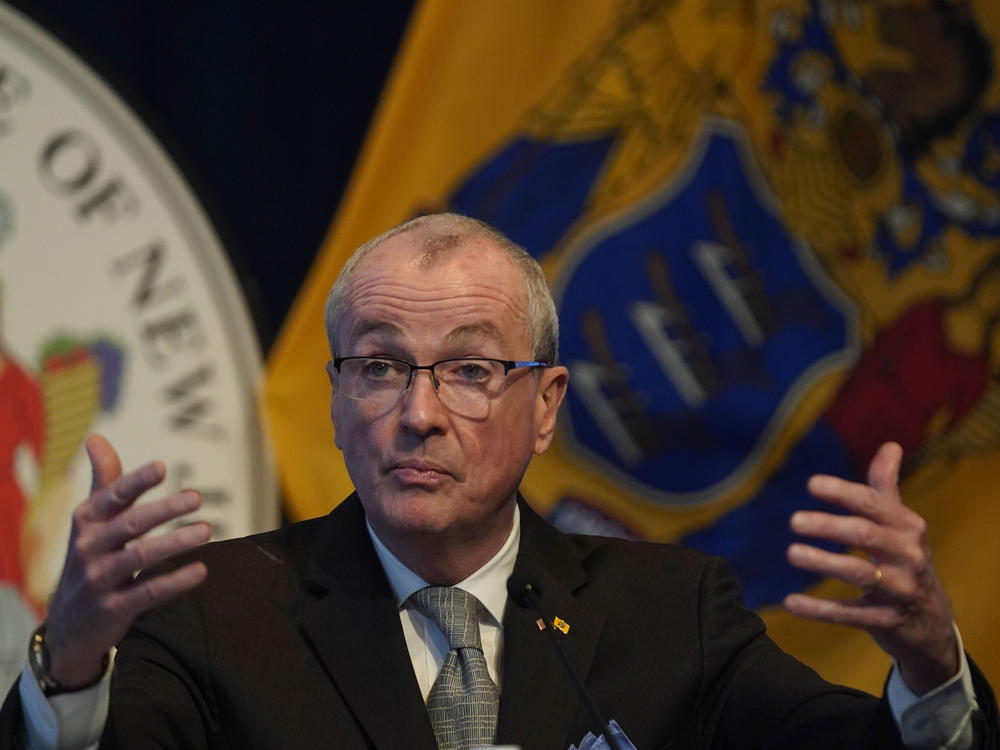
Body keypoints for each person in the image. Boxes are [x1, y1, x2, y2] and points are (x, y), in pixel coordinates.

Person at [1, 213, 996, 749]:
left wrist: (928, 667)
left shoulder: (671, 612)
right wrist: (75, 664)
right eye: (380, 366)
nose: (418, 413)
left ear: (547, 405)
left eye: (471, 371)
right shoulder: (215, 615)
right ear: (340, 399)